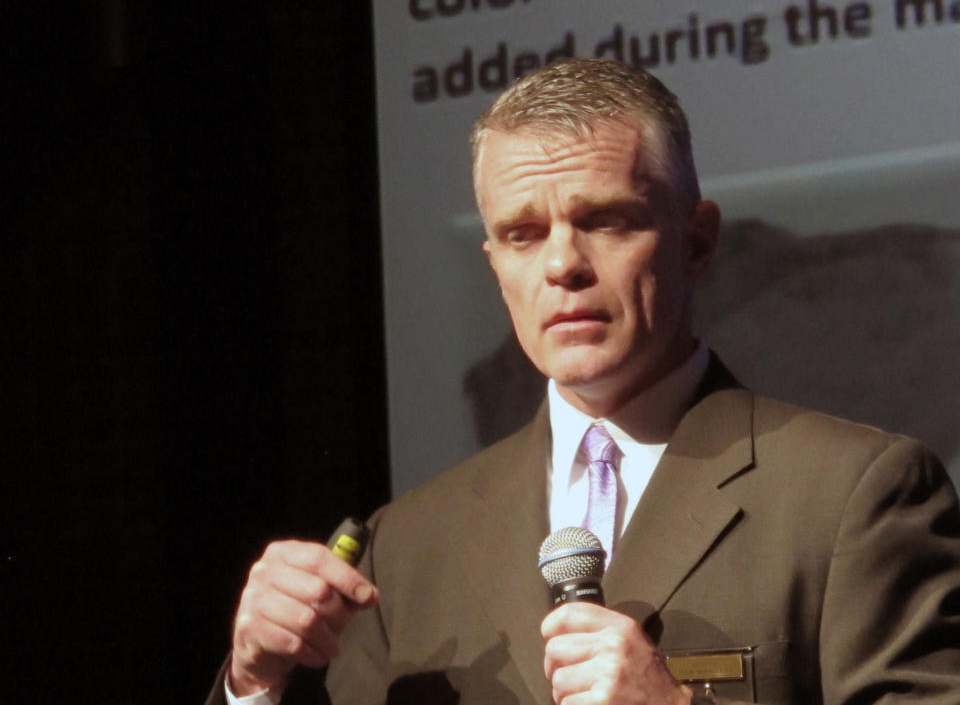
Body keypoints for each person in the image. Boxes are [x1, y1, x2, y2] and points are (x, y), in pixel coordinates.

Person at [206, 58, 960, 705]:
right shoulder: (405, 548)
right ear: (496, 268)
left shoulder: (853, 495)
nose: (562, 265)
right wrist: (253, 683)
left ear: (696, 242)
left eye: (603, 220)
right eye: (522, 234)